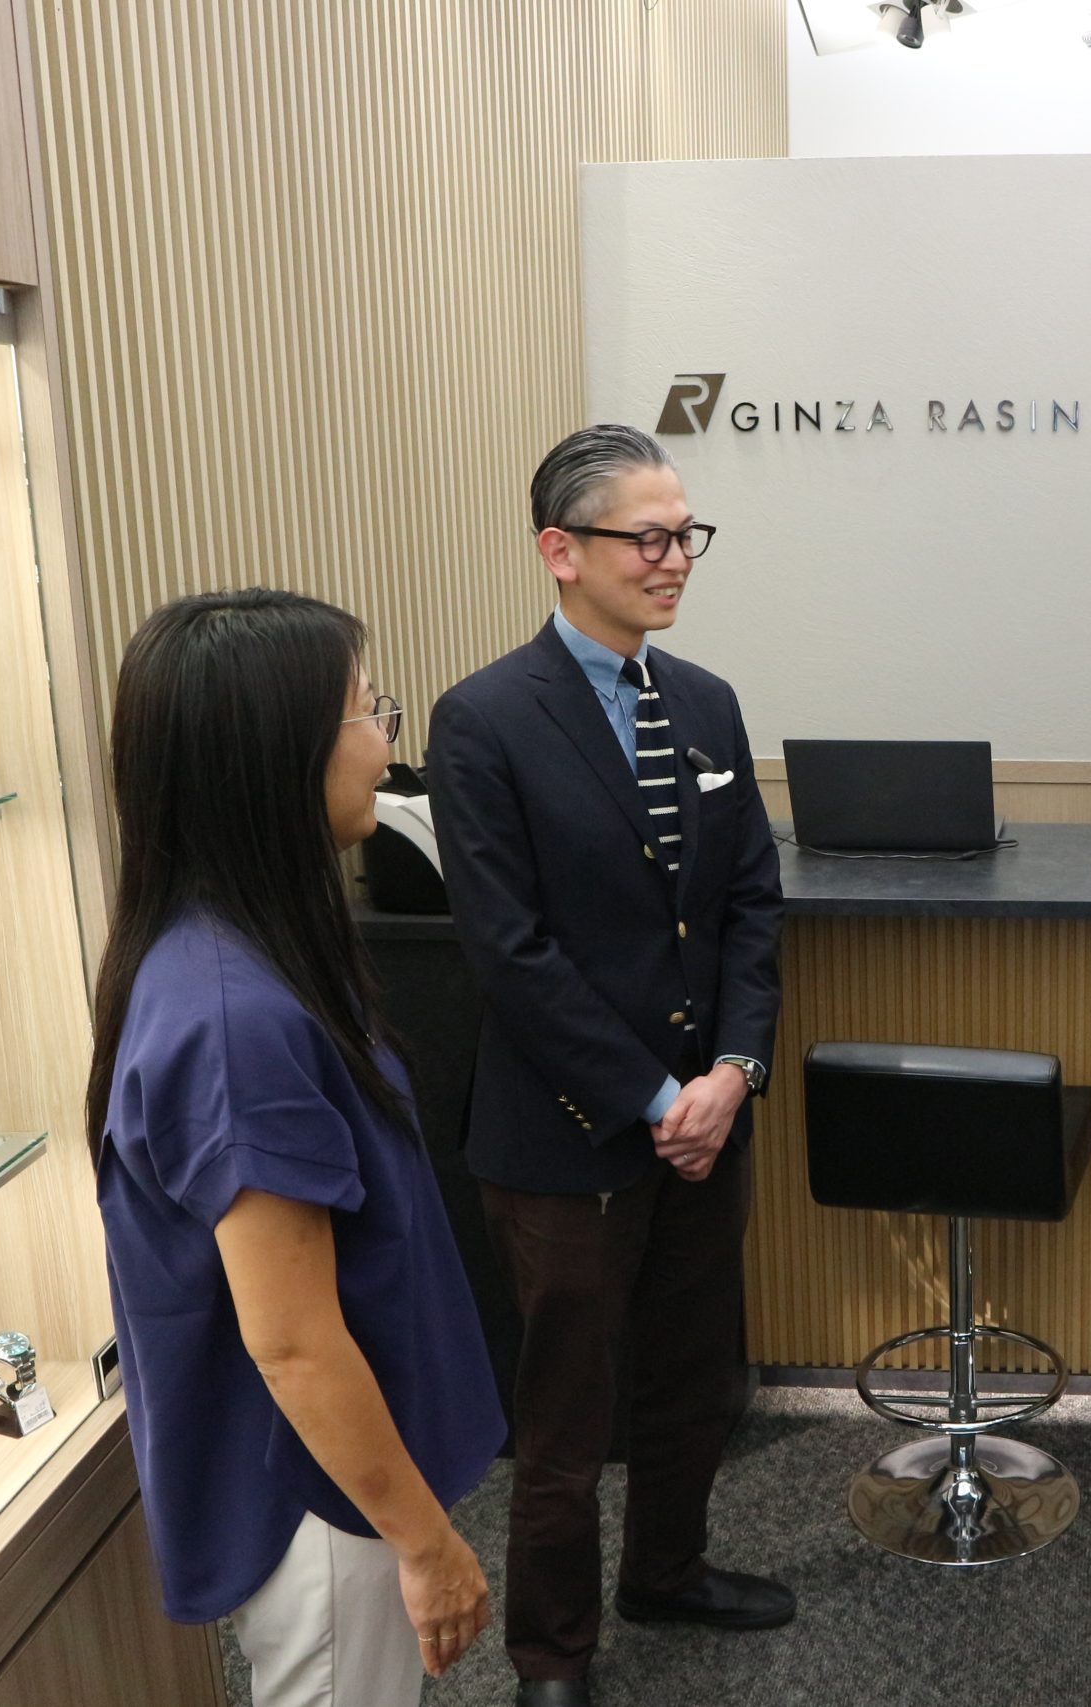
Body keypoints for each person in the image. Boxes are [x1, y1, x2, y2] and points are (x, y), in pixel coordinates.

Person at [427, 424, 788, 1707]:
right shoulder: (483, 719)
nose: (674, 558)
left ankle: (669, 1572)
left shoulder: (705, 702)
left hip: (707, 1121)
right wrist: (653, 1097)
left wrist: (732, 1072)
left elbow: (747, 906)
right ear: (560, 550)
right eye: (648, 537)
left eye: (686, 535)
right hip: (566, 1134)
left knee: (690, 1382)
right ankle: (553, 1652)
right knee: (567, 1419)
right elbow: (509, 950)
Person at [89, 589, 501, 1707]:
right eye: (369, 714)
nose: (385, 747)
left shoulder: (246, 952)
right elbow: (294, 1343)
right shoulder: (235, 1018)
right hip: (319, 1499)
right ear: (274, 756)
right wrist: (425, 1544)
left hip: (336, 1472)